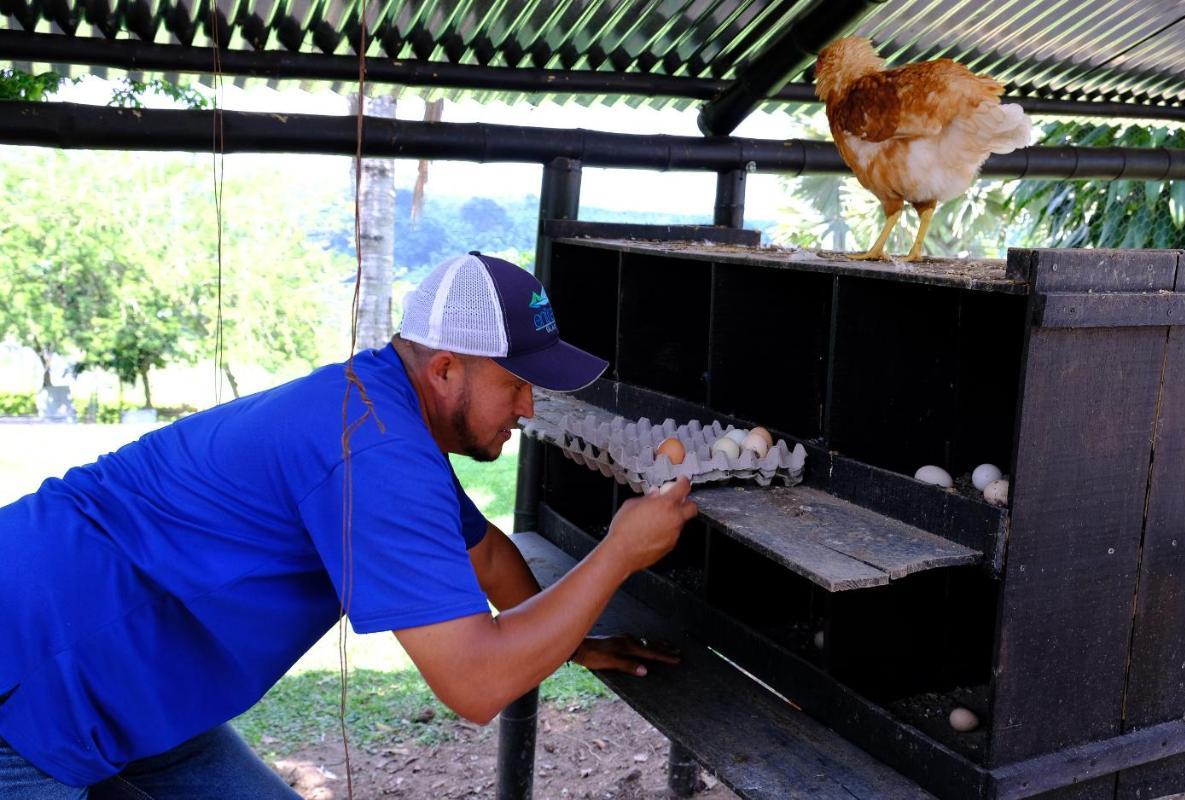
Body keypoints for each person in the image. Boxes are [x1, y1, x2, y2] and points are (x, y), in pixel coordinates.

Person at [0, 251, 697, 798]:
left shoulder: (379, 400)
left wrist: (571, 642)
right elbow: (476, 686)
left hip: (131, 685)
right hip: (35, 676)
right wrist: (616, 555)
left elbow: (482, 555)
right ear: (448, 369)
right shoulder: (380, 452)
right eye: (516, 385)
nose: (529, 409)